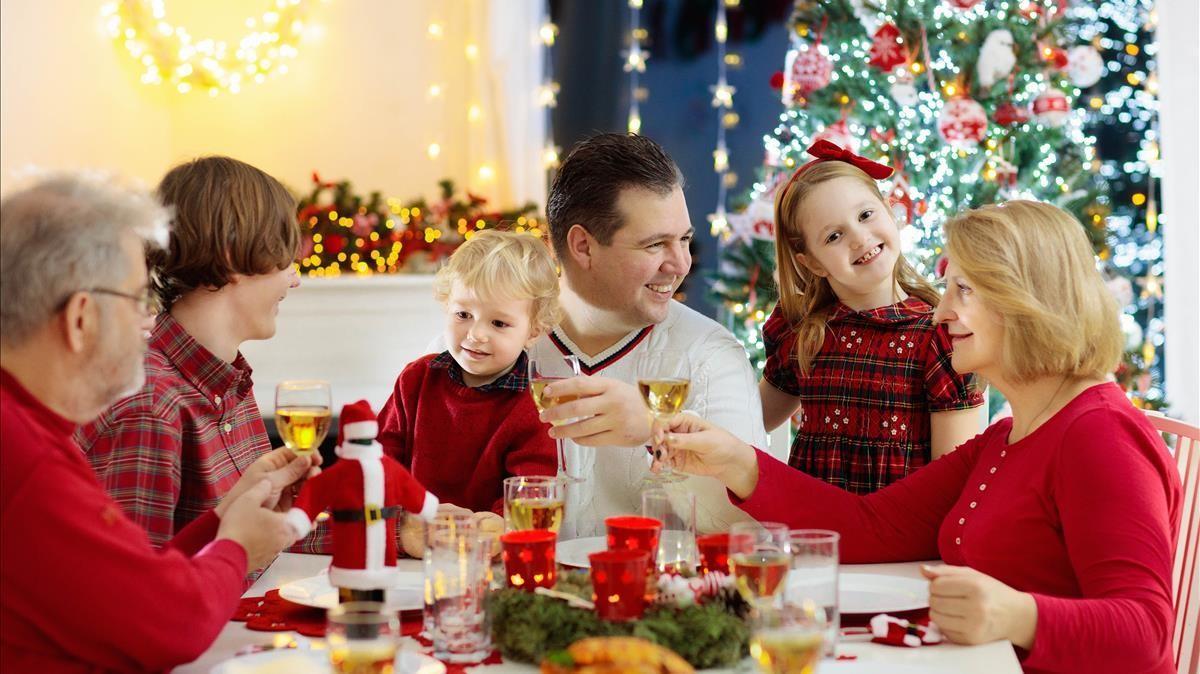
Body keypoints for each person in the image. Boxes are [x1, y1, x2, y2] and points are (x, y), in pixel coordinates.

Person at [661, 201, 1181, 673]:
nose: (941, 312)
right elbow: (873, 527)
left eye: (964, 291)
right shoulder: (1005, 440)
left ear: (1027, 297)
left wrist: (1018, 615)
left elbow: (1147, 634)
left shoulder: (1100, 435)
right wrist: (734, 460)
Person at [0, 174, 313, 670]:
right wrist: (235, 545)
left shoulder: (31, 430)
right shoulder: (28, 458)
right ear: (81, 319)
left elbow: (135, 581)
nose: (150, 320)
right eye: (136, 300)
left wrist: (223, 517)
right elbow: (168, 625)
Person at [74, 156, 326, 551]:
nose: (295, 279)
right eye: (286, 259)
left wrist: (398, 531)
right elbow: (134, 594)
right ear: (231, 256)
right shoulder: (150, 404)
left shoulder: (227, 380)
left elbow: (259, 528)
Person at [532, 132, 778, 536]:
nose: (681, 264)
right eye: (654, 245)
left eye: (683, 239)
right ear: (583, 246)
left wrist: (656, 431)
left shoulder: (710, 356)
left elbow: (746, 533)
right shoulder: (491, 342)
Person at [760, 140, 982, 493]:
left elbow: (952, 482)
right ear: (812, 262)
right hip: (814, 536)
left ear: (890, 211)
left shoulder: (937, 336)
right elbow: (748, 423)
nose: (860, 238)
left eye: (865, 215)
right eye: (834, 236)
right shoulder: (803, 332)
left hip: (902, 541)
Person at [375, 230, 558, 550]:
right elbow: (379, 462)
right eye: (463, 315)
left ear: (534, 331)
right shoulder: (416, 379)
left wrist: (501, 523)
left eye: (498, 324)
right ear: (447, 306)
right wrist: (401, 522)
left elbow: (533, 491)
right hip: (411, 548)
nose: (475, 334)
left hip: (485, 554)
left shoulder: (532, 404)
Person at [287, 400, 438, 602]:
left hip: (364, 551)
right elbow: (416, 495)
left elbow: (313, 493)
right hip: (362, 548)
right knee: (362, 597)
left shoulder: (339, 473)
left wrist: (298, 520)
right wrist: (429, 508)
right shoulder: (388, 468)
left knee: (360, 596)